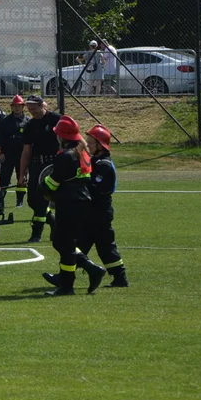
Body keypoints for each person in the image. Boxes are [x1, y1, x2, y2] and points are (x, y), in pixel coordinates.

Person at [38, 116, 106, 296]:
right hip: (82, 202)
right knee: (63, 242)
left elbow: (53, 183)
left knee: (65, 244)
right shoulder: (83, 152)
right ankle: (88, 269)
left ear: (62, 136)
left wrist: (41, 187)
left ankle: (67, 285)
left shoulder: (65, 156)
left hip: (68, 203)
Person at [80, 123, 129, 288]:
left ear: (101, 145)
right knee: (80, 244)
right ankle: (65, 275)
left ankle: (120, 278)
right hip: (91, 211)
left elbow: (93, 186)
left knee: (105, 247)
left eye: (91, 143)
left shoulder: (103, 165)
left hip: (100, 211)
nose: (88, 145)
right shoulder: (95, 160)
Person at [19, 94, 61, 243]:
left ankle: (36, 232)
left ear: (42, 105)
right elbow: (26, 151)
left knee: (42, 199)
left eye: (34, 108)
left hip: (53, 164)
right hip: (36, 165)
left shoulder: (56, 119)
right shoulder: (29, 125)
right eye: (29, 109)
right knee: (32, 200)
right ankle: (53, 222)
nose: (32, 112)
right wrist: (22, 174)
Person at [0, 95, 28, 212]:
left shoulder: (28, 121)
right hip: (9, 154)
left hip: (22, 154)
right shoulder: (5, 121)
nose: (17, 108)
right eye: (15, 106)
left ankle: (20, 200)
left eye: (19, 106)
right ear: (12, 107)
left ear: (23, 106)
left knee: (22, 177)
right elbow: (0, 138)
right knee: (4, 178)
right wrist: (2, 153)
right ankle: (0, 200)